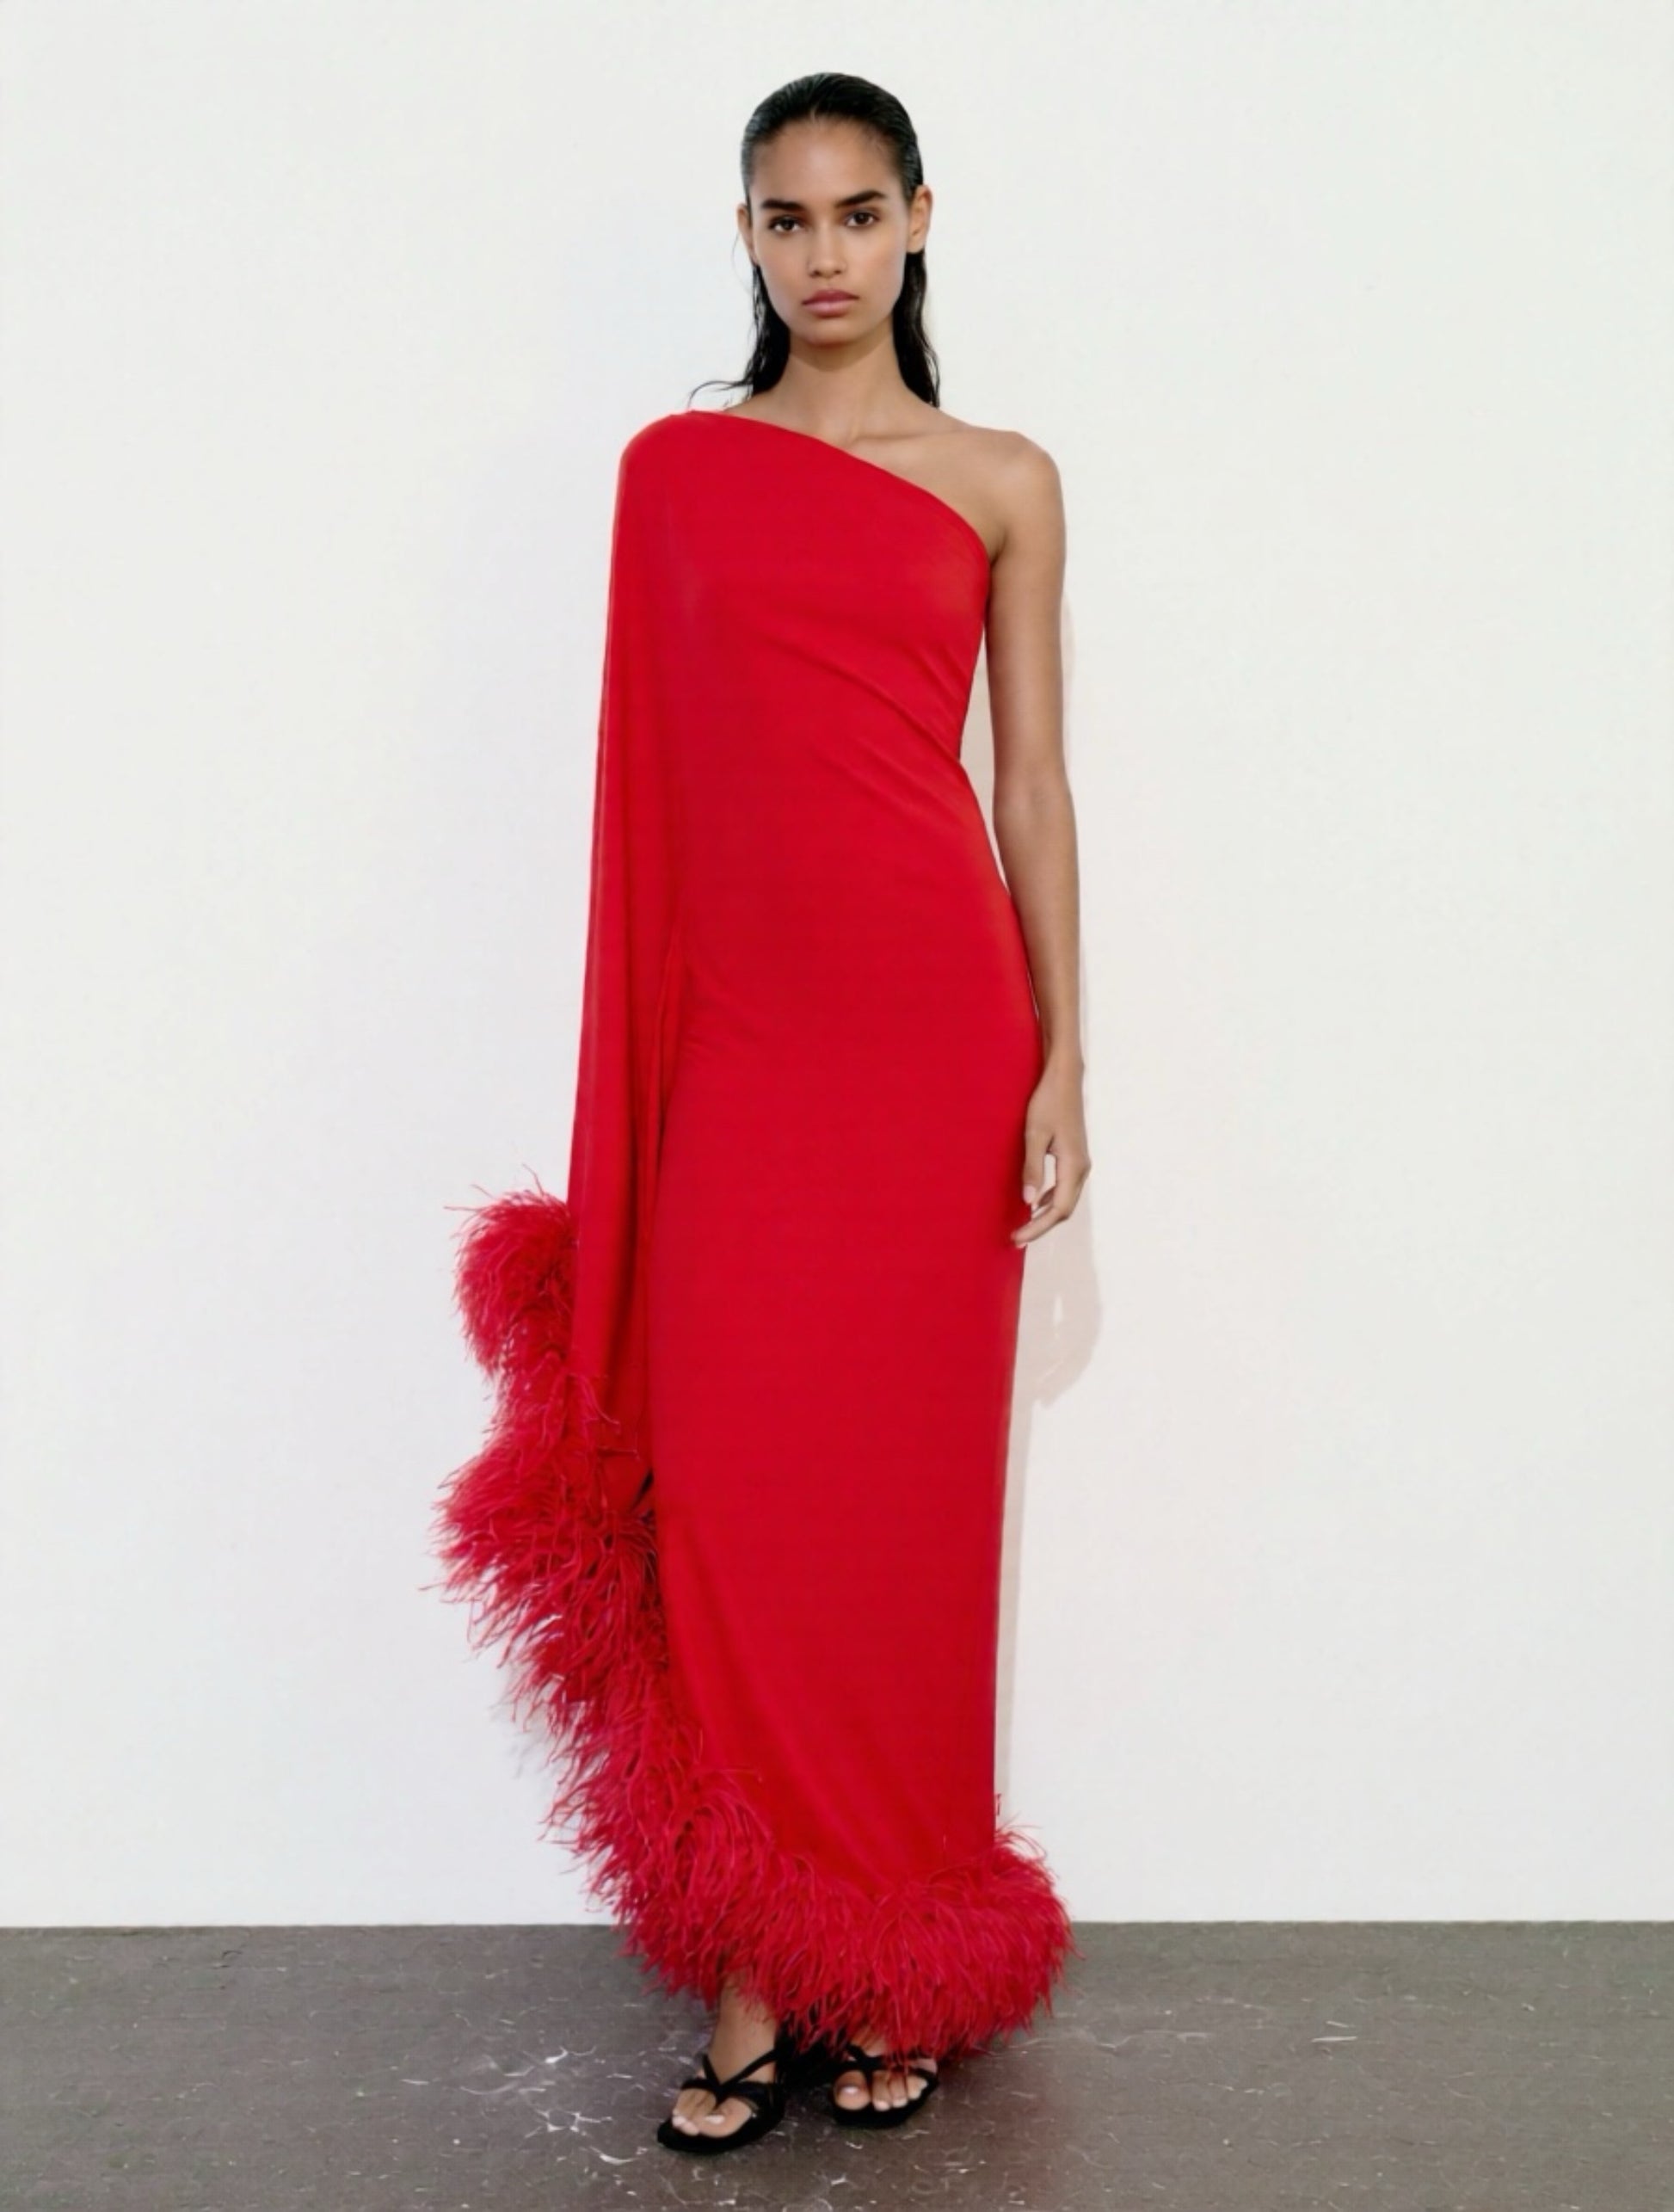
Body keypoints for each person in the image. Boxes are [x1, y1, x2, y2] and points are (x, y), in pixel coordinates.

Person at [433, 71, 1090, 2158]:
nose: (823, 253)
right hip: (744, 1045)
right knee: (731, 1499)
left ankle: (886, 1959)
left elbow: (1028, 781)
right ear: (745, 236)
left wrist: (1065, 1054)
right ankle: (748, 1963)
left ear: (919, 222)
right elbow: (650, 795)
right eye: (785, 219)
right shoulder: (678, 474)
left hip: (934, 1032)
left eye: (856, 212)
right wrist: (647, 1074)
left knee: (899, 1513)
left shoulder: (1000, 478)